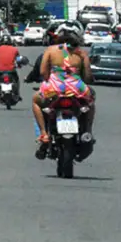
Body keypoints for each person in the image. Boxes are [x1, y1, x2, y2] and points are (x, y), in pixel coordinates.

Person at [31, 28, 96, 158]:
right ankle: (88, 130)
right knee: (91, 103)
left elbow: (43, 72)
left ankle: (44, 133)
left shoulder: (51, 50)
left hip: (54, 90)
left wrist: (51, 79)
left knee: (36, 101)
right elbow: (88, 76)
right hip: (77, 90)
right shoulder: (81, 53)